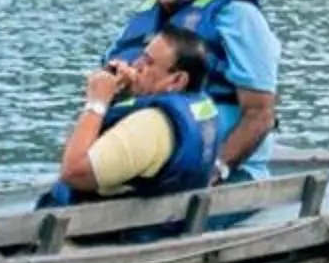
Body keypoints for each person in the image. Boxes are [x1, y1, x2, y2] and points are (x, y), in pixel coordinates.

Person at [102, 0, 280, 178]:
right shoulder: (147, 15)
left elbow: (259, 114)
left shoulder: (238, 16)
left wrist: (217, 170)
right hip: (152, 164)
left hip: (230, 172)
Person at [48, 30, 223, 204]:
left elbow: (73, 173)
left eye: (148, 62)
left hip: (91, 228)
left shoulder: (150, 125)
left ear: (177, 80)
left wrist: (96, 102)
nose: (136, 65)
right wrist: (121, 97)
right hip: (164, 226)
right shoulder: (200, 110)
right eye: (141, 57)